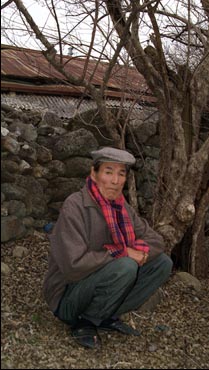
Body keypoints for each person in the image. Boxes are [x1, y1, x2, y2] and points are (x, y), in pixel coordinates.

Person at [43, 147, 173, 349]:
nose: (115, 180)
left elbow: (155, 240)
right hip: (68, 297)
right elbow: (73, 266)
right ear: (94, 174)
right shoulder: (75, 206)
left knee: (162, 263)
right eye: (109, 172)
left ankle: (106, 315)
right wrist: (121, 252)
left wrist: (138, 250)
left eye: (121, 174)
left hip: (99, 282)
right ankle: (85, 321)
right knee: (126, 266)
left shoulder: (121, 207)